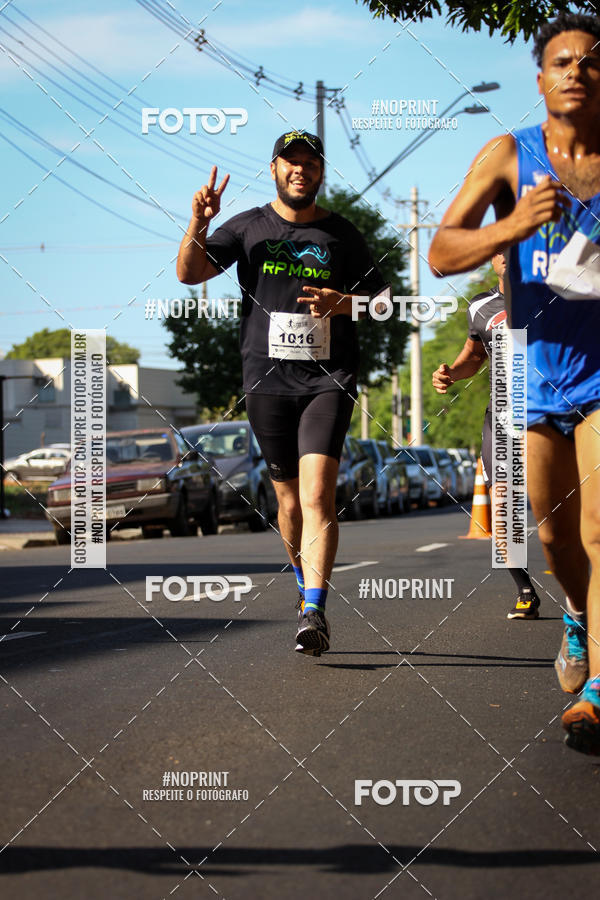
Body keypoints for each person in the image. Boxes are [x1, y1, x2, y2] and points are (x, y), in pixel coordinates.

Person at [428, 13, 600, 754]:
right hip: (535, 381)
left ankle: (597, 696)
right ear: (540, 78)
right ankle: (576, 615)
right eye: (560, 60)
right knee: (559, 539)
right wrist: (513, 226)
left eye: (590, 62)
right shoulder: (508, 155)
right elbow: (440, 252)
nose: (574, 71)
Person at [176, 130, 384, 656]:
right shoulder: (247, 228)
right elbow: (189, 273)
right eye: (291, 162)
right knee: (287, 501)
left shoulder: (342, 235)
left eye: (310, 163)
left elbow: (383, 304)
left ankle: (314, 608)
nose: (300, 170)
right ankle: (302, 586)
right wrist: (200, 222)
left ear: (321, 172)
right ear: (274, 169)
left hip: (326, 378)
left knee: (317, 496)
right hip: (266, 380)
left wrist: (345, 304)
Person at [432, 252, 541, 620]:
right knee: (503, 504)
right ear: (491, 256)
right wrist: (450, 373)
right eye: (499, 247)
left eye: (515, 246)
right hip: (504, 413)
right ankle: (524, 589)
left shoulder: (553, 291)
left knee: (558, 506)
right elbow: (474, 356)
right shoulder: (480, 306)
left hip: (551, 409)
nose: (506, 255)